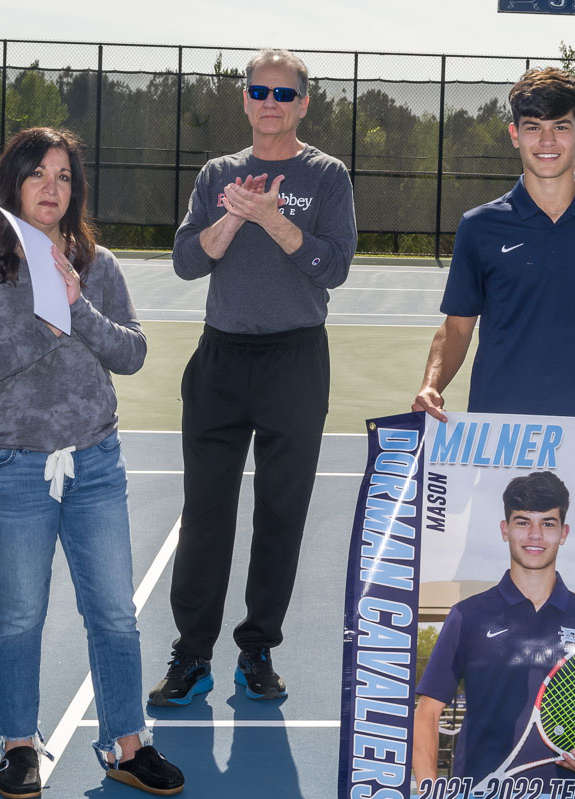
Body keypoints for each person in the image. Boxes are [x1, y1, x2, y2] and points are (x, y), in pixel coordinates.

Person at [0, 127, 183, 797]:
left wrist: (78, 307)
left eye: (64, 176)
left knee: (113, 613)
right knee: (19, 613)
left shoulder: (97, 265)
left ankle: (127, 743)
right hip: (8, 468)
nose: (53, 186)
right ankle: (16, 743)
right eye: (39, 173)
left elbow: (130, 352)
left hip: (94, 463)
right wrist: (36, 332)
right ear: (12, 184)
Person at [150, 48, 356, 706]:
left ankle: (257, 647)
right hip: (220, 361)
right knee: (205, 515)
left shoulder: (327, 176)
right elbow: (186, 260)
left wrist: (275, 220)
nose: (270, 101)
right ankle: (192, 654)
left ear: (302, 103)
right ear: (244, 99)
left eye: (283, 92)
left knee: (280, 516)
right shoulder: (219, 173)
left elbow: (334, 265)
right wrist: (236, 213)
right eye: (258, 90)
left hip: (295, 363)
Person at [412, 68, 575, 434]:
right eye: (533, 127)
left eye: (560, 127)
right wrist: (431, 385)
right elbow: (456, 328)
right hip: (495, 429)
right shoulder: (479, 226)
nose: (547, 141)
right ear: (515, 135)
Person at [413, 472, 575, 785]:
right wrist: (430, 792)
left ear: (564, 533)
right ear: (505, 530)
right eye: (523, 522)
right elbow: (427, 714)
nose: (535, 535)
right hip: (479, 790)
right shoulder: (468, 615)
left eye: (548, 523)